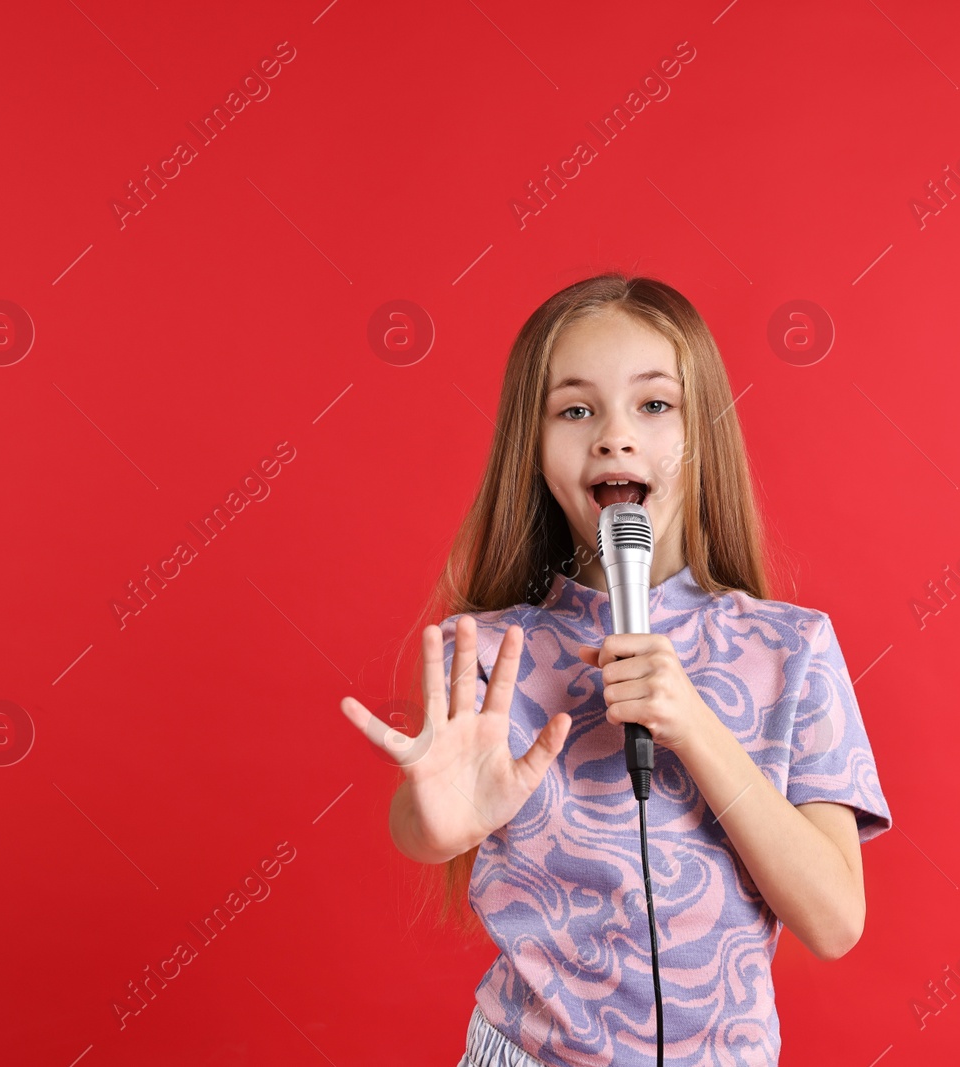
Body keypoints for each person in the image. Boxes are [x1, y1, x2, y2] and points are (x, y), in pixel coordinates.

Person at [339, 274, 893, 1067]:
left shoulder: (789, 649)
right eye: (575, 409)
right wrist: (434, 821)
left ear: (703, 433)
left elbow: (835, 919)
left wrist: (698, 727)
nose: (613, 436)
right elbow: (420, 822)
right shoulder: (490, 653)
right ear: (531, 448)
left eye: (654, 405)